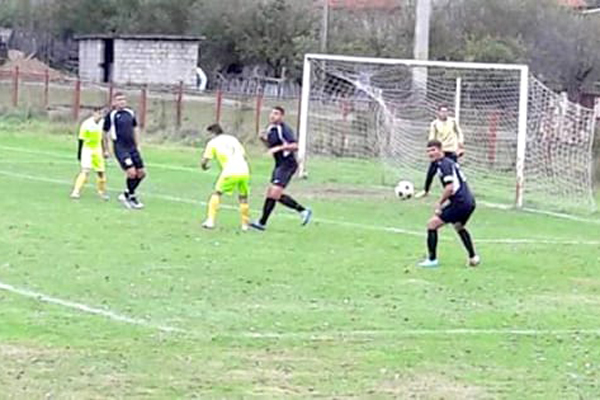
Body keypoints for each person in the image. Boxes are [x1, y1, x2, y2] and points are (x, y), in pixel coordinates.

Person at [419, 140, 480, 268]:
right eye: (428, 151)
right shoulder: (445, 162)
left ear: (440, 150)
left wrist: (439, 203)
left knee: (432, 224)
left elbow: (449, 188)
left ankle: (432, 260)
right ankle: (473, 257)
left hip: (460, 202)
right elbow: (431, 173)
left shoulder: (444, 165)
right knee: (458, 226)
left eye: (433, 150)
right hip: (469, 202)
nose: (430, 153)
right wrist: (426, 190)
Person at [250, 106, 312, 231]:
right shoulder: (271, 129)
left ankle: (263, 223)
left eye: (276, 113)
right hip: (279, 164)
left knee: (274, 193)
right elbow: (271, 146)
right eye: (272, 113)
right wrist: (264, 140)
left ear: (282, 116)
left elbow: (295, 145)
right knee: (273, 194)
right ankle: (302, 211)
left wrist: (278, 148)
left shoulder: (284, 129)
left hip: (288, 164)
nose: (273, 116)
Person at [201, 123, 251, 231]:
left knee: (217, 193)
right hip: (244, 170)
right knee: (243, 197)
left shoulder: (213, 143)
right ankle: (245, 225)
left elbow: (205, 159)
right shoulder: (233, 139)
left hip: (230, 171)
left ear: (212, 133)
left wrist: (203, 166)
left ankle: (210, 221)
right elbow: (244, 155)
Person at [103, 92, 146, 210]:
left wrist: (138, 144)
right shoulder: (111, 115)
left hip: (132, 147)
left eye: (123, 99)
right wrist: (106, 149)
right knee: (131, 172)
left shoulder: (130, 113)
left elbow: (135, 128)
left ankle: (127, 193)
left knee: (141, 173)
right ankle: (131, 197)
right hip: (120, 148)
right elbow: (104, 132)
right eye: (119, 100)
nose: (122, 102)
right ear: (114, 102)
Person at [416, 105, 465, 199]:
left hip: (451, 151)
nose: (444, 113)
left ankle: (457, 192)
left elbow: (459, 133)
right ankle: (426, 191)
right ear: (438, 112)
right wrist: (431, 151)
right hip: (439, 152)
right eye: (442, 111)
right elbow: (432, 138)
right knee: (431, 172)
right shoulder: (434, 124)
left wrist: (460, 145)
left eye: (446, 111)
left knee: (454, 173)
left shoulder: (453, 121)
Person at [70, 107, 109, 200]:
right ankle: (76, 191)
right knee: (85, 171)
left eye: (102, 113)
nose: (100, 115)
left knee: (101, 172)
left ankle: (101, 192)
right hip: (87, 150)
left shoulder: (103, 123)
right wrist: (79, 154)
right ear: (94, 113)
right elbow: (81, 139)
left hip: (97, 150)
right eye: (98, 113)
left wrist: (105, 150)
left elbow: (103, 138)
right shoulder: (86, 124)